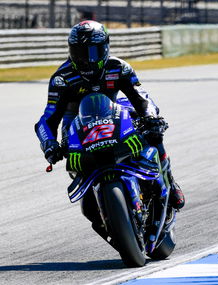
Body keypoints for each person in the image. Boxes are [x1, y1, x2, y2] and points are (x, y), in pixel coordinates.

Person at [34, 20, 185, 209]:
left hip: (114, 113)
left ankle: (168, 179)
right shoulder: (61, 79)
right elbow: (47, 119)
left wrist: (151, 117)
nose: (85, 59)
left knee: (153, 131)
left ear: (105, 48)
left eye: (92, 52)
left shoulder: (119, 67)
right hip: (76, 124)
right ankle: (96, 197)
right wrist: (50, 145)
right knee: (88, 207)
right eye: (79, 52)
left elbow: (141, 98)